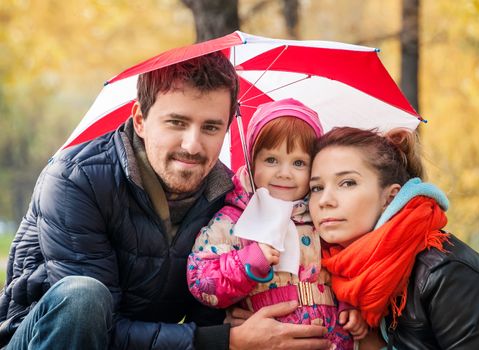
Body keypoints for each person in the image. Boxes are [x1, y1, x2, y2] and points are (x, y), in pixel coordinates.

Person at [0, 53, 331, 350]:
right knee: (85, 297)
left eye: (211, 127)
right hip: (48, 337)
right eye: (177, 122)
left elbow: (209, 319)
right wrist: (225, 340)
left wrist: (241, 320)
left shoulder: (227, 198)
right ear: (141, 120)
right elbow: (97, 328)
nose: (192, 145)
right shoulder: (77, 180)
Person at [308, 126, 479, 349]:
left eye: (347, 183)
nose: (325, 200)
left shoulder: (445, 274)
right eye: (316, 187)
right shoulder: (330, 274)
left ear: (389, 197)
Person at [187, 99, 368, 349]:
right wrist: (247, 262)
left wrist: (350, 304)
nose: (284, 173)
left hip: (329, 340)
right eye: (271, 160)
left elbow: (345, 264)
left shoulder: (321, 217)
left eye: (298, 163)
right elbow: (201, 279)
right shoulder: (234, 220)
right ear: (252, 163)